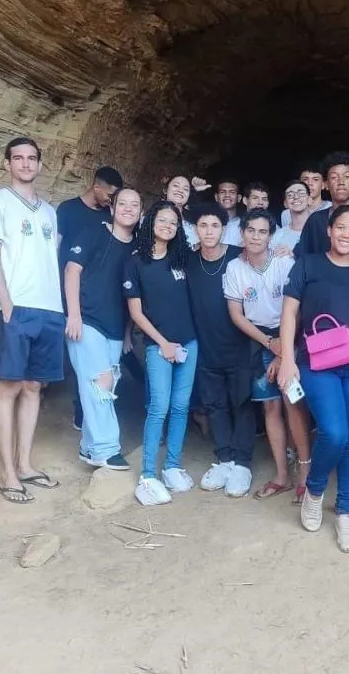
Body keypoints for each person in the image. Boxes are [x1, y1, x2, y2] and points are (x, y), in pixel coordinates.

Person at [278, 205, 349, 553]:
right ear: (329, 230)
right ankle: (315, 489)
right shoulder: (308, 265)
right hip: (316, 362)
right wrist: (287, 360)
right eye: (340, 227)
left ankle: (344, 512)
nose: (346, 234)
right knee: (334, 432)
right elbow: (289, 312)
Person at [0, 137, 64, 503]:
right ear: (7, 164)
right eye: (18, 158)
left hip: (49, 308)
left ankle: (25, 464)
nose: (26, 163)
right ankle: (7, 473)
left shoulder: (49, 212)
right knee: (9, 387)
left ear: (40, 165)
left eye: (32, 158)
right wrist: (6, 304)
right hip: (17, 306)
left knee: (33, 387)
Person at [224, 208, 312, 501]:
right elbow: (236, 314)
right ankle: (282, 476)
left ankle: (305, 475)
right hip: (258, 339)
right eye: (251, 230)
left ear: (271, 236)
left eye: (263, 231)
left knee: (293, 404)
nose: (256, 237)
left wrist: (283, 352)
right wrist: (268, 343)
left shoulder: (285, 263)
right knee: (270, 408)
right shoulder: (235, 268)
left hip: (289, 336)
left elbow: (297, 310)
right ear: (242, 233)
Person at [124, 201, 198, 506]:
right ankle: (148, 475)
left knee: (181, 407)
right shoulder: (136, 262)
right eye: (162, 220)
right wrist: (163, 343)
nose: (167, 226)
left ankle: (172, 467)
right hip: (158, 346)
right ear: (150, 222)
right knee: (159, 407)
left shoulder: (182, 257)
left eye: (173, 223)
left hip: (189, 343)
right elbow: (136, 313)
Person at [62, 187, 141, 471]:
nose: (128, 209)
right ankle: (107, 449)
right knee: (100, 382)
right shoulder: (94, 233)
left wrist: (128, 331)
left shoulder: (138, 248)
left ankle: (89, 447)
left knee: (105, 385)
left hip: (116, 327)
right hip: (86, 320)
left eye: (134, 204)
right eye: (123, 203)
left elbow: (135, 294)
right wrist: (73, 314)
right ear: (112, 207)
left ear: (141, 211)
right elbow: (72, 270)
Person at [183, 201, 259, 498]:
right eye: (203, 225)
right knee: (214, 404)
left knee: (242, 403)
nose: (209, 231)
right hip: (206, 346)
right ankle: (224, 459)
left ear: (224, 229)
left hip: (239, 345)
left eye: (215, 225)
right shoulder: (189, 260)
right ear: (195, 229)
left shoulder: (239, 257)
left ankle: (242, 464)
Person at [56, 165, 123, 431]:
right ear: (96, 186)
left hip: (100, 297)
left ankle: (92, 413)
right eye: (110, 195)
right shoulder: (68, 210)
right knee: (81, 358)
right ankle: (82, 411)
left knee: (103, 363)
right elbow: (55, 248)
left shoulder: (109, 214)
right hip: (70, 292)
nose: (112, 201)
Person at [281, 162, 330, 229]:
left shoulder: (331, 208)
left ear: (323, 184)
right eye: (305, 179)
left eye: (315, 179)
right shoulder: (287, 214)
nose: (310, 183)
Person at [271, 179, 311, 252]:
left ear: (309, 199)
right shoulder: (278, 236)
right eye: (290, 195)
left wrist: (294, 253)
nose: (296, 197)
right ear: (285, 203)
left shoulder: (321, 230)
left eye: (301, 193)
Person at [164, 175, 200, 248]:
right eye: (176, 185)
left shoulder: (194, 222)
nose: (180, 191)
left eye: (185, 189)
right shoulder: (152, 217)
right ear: (165, 190)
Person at [215, 178, 243, 246]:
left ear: (239, 198)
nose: (227, 195)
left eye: (232, 192)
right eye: (222, 192)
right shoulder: (207, 224)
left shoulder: (245, 225)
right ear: (216, 197)